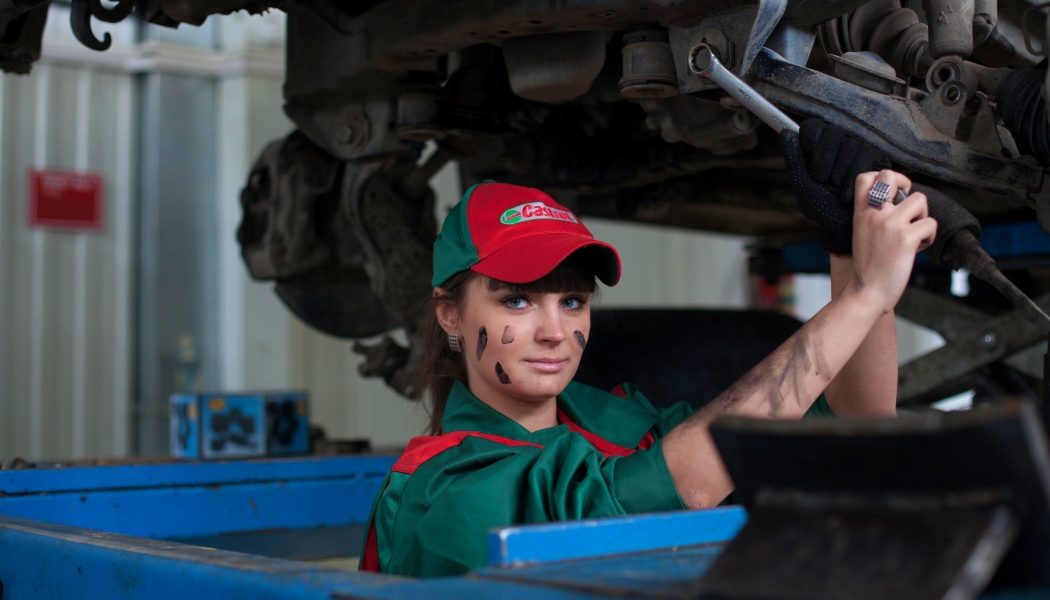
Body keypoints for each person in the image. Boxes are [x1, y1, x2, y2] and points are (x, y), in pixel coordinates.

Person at [358, 122, 937, 577]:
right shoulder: (442, 488)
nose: (555, 330)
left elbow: (854, 428)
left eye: (572, 301)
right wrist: (864, 295)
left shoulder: (610, 419)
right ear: (450, 314)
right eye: (516, 301)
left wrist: (848, 250)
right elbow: (668, 490)